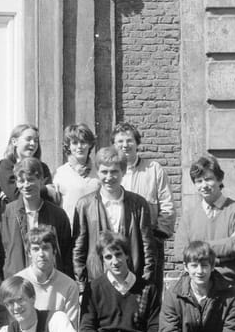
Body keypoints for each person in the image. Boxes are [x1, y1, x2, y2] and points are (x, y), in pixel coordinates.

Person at [72, 146, 155, 293]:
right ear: (97, 172)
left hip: (132, 283)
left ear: (123, 171)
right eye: (104, 172)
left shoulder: (138, 205)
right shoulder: (84, 205)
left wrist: (145, 281)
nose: (109, 177)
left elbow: (148, 247)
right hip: (97, 283)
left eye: (114, 171)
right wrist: (81, 286)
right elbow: (78, 249)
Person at [111, 122, 175, 290]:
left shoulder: (154, 170)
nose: (125, 145)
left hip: (148, 242)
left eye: (129, 140)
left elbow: (167, 206)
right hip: (119, 243)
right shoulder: (111, 174)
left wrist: (158, 236)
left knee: (149, 288)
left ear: (137, 142)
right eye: (120, 141)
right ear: (114, 145)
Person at [174, 154, 235, 288]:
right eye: (198, 181)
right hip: (196, 288)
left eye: (208, 179)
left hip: (227, 287)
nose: (204, 185)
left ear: (219, 179)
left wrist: (195, 248)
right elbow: (180, 251)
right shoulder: (189, 216)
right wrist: (221, 256)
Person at [0, 157, 73, 279]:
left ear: (41, 180)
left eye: (30, 179)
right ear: (16, 183)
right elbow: (3, 251)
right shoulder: (8, 212)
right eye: (21, 181)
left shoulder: (57, 215)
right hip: (18, 280)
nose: (26, 185)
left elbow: (66, 254)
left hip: (50, 280)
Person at [15, 225, 80, 330]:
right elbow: (15, 326)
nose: (41, 254)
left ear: (54, 251)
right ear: (29, 253)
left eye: (45, 248)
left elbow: (71, 329)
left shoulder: (69, 286)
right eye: (36, 249)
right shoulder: (17, 282)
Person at [0, 124, 55, 212]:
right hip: (16, 216)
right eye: (28, 139)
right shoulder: (5, 166)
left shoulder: (43, 167)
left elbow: (49, 198)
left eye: (36, 140)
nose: (33, 143)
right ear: (14, 142)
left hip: (41, 215)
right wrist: (46, 189)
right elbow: (16, 196)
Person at [53, 123, 100, 224]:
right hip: (69, 227)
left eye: (83, 142)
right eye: (74, 143)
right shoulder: (61, 173)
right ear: (69, 146)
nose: (79, 147)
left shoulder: (99, 171)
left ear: (90, 144)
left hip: (95, 227)